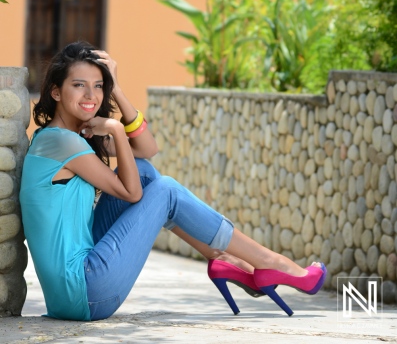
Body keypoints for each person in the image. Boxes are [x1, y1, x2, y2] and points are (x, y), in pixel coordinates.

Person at [20, 42, 326, 321]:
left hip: (70, 291)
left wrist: (118, 92)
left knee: (143, 169)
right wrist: (114, 127)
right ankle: (272, 262)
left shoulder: (72, 138)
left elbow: (146, 150)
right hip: (85, 291)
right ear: (56, 92)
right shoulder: (61, 143)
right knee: (163, 190)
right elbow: (131, 192)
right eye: (79, 85)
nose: (91, 95)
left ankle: (221, 258)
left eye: (99, 86)